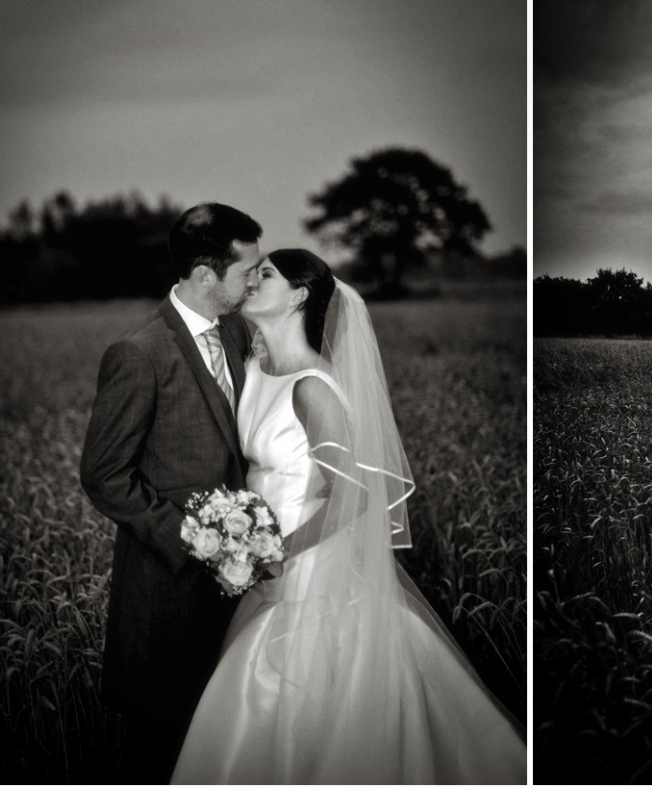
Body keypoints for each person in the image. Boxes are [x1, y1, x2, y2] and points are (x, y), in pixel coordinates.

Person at [171, 249, 526, 784]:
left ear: (299, 296)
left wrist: (276, 551)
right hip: (267, 568)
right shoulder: (253, 368)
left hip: (311, 568)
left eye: (266, 274)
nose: (251, 281)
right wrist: (233, 535)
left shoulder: (314, 387)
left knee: (303, 698)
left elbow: (355, 497)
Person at [80, 203, 264, 781]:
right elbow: (104, 474)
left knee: (222, 746)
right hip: (167, 590)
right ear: (206, 275)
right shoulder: (140, 353)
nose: (256, 279)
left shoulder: (237, 331)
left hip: (241, 588)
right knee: (161, 748)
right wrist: (192, 539)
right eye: (247, 270)